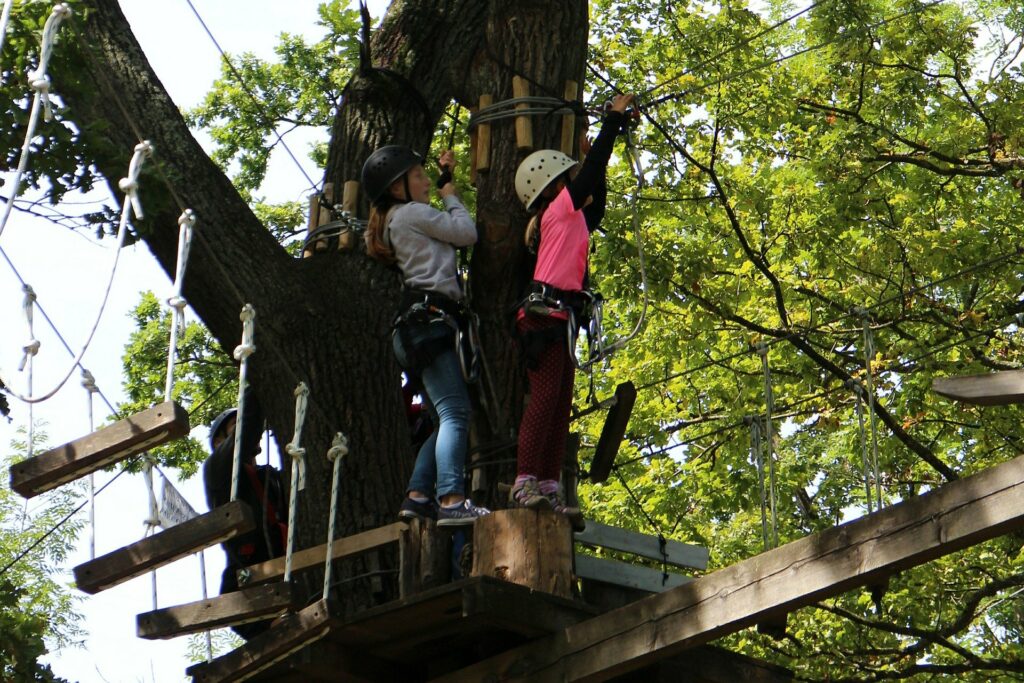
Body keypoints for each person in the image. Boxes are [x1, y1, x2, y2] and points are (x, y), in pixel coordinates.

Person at [511, 93, 636, 526]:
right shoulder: (556, 212)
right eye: (570, 176)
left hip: (561, 318)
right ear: (554, 186)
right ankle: (524, 481)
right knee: (544, 402)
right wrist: (612, 121)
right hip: (545, 317)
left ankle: (547, 484)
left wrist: (590, 152)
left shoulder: (573, 217)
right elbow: (592, 177)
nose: (576, 183)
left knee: (559, 404)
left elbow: (595, 202)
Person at [363, 144, 490, 527]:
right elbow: (466, 234)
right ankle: (451, 499)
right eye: (417, 176)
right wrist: (450, 197)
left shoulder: (396, 219)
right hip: (429, 324)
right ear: (398, 187)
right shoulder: (412, 213)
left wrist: (444, 178)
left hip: (413, 330)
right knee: (456, 412)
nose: (425, 182)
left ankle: (418, 496)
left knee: (441, 417)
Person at [202, 387, 287, 640]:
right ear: (219, 442)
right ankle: (270, 628)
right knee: (239, 600)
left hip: (284, 559)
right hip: (249, 568)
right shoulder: (218, 468)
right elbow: (247, 428)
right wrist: (255, 380)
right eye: (233, 425)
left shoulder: (270, 477)